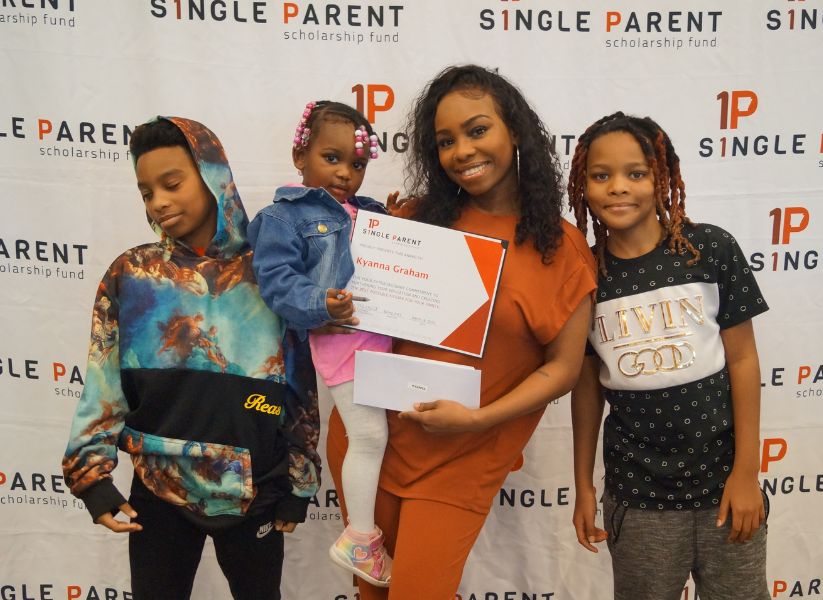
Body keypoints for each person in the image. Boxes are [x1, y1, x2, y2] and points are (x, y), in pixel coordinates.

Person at [325, 64, 597, 599]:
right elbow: (357, 316)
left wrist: (477, 420)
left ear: (514, 131)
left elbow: (565, 369)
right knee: (371, 595)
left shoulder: (562, 249)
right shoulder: (415, 220)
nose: (462, 151)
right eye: (446, 141)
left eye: (477, 130)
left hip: (465, 455)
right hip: (371, 443)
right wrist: (336, 303)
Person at [61, 117, 320, 600]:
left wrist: (299, 483)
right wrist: (91, 477)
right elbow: (102, 382)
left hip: (254, 489)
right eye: (146, 192)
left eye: (172, 183)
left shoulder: (270, 273)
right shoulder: (132, 275)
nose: (158, 201)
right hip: (158, 490)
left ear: (213, 177)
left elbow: (298, 387)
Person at [567, 112, 770, 600]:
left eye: (636, 173)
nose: (618, 187)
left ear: (662, 178)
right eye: (601, 175)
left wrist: (746, 474)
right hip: (639, 500)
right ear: (583, 186)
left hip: (725, 488)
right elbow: (586, 387)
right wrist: (583, 486)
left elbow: (743, 361)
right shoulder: (585, 274)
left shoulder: (711, 250)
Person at [246, 101, 394, 587]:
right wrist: (320, 303)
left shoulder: (368, 211)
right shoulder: (283, 218)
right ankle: (360, 538)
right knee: (368, 436)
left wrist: (398, 226)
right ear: (300, 155)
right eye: (332, 158)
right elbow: (276, 281)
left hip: (383, 336)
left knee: (392, 433)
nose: (346, 173)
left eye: (357, 164)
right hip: (342, 339)